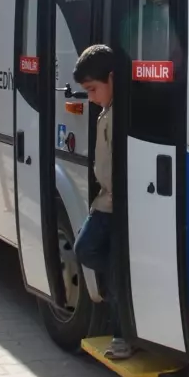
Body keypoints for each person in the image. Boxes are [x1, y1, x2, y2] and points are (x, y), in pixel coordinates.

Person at [72, 44, 132, 360]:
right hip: (105, 201)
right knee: (93, 253)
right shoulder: (108, 109)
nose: (91, 98)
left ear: (112, 78)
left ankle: (123, 331)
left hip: (114, 204)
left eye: (93, 89)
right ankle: (120, 290)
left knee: (86, 248)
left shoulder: (123, 112)